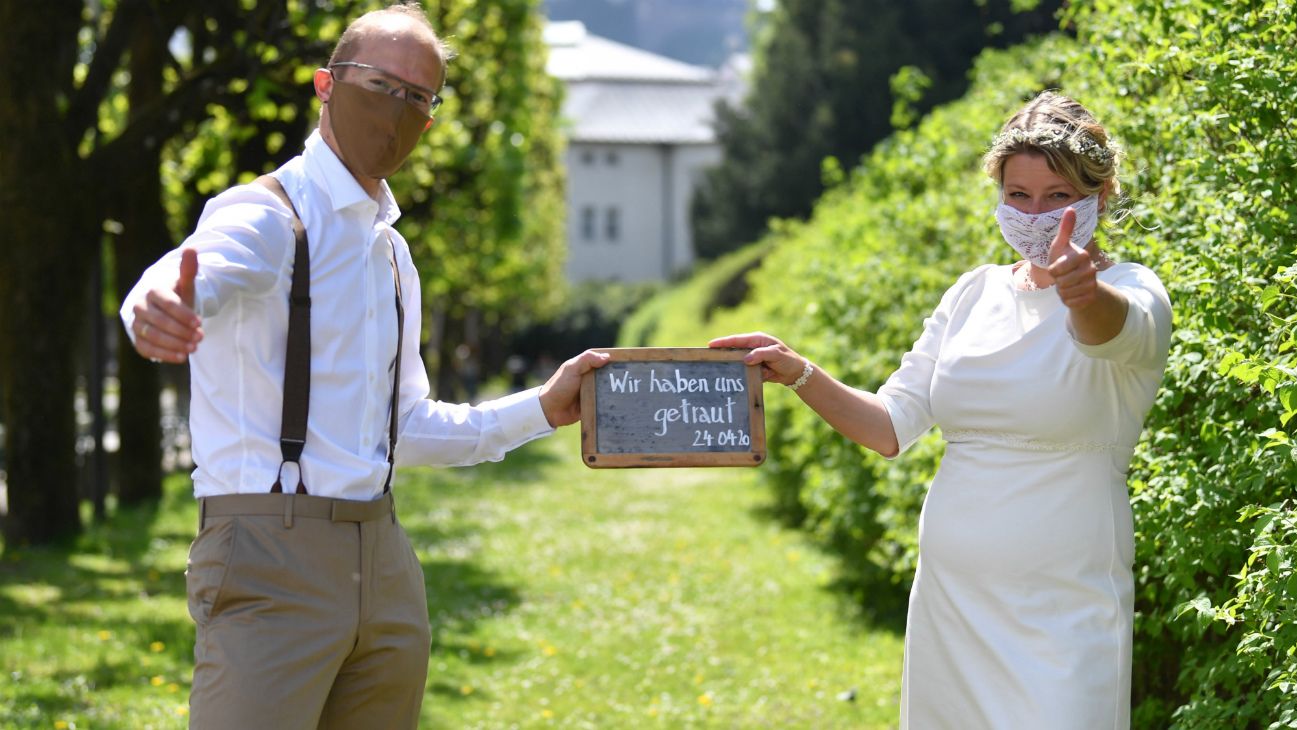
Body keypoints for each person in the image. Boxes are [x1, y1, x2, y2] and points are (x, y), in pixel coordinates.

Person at [119, 5, 607, 728]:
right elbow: (195, 269)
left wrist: (543, 407)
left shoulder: (391, 253)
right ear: (326, 83)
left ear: (432, 120)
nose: (397, 109)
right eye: (381, 83)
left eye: (419, 97)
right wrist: (153, 305)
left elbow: (401, 427)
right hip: (266, 548)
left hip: (383, 558)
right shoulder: (268, 216)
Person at [711, 91, 1172, 729]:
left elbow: (1115, 332)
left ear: (1099, 195)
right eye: (1019, 195)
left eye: (1058, 196)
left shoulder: (1132, 291)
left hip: (1066, 604)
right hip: (952, 602)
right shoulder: (972, 292)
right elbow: (890, 426)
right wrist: (798, 371)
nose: (1037, 214)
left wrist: (1081, 291)